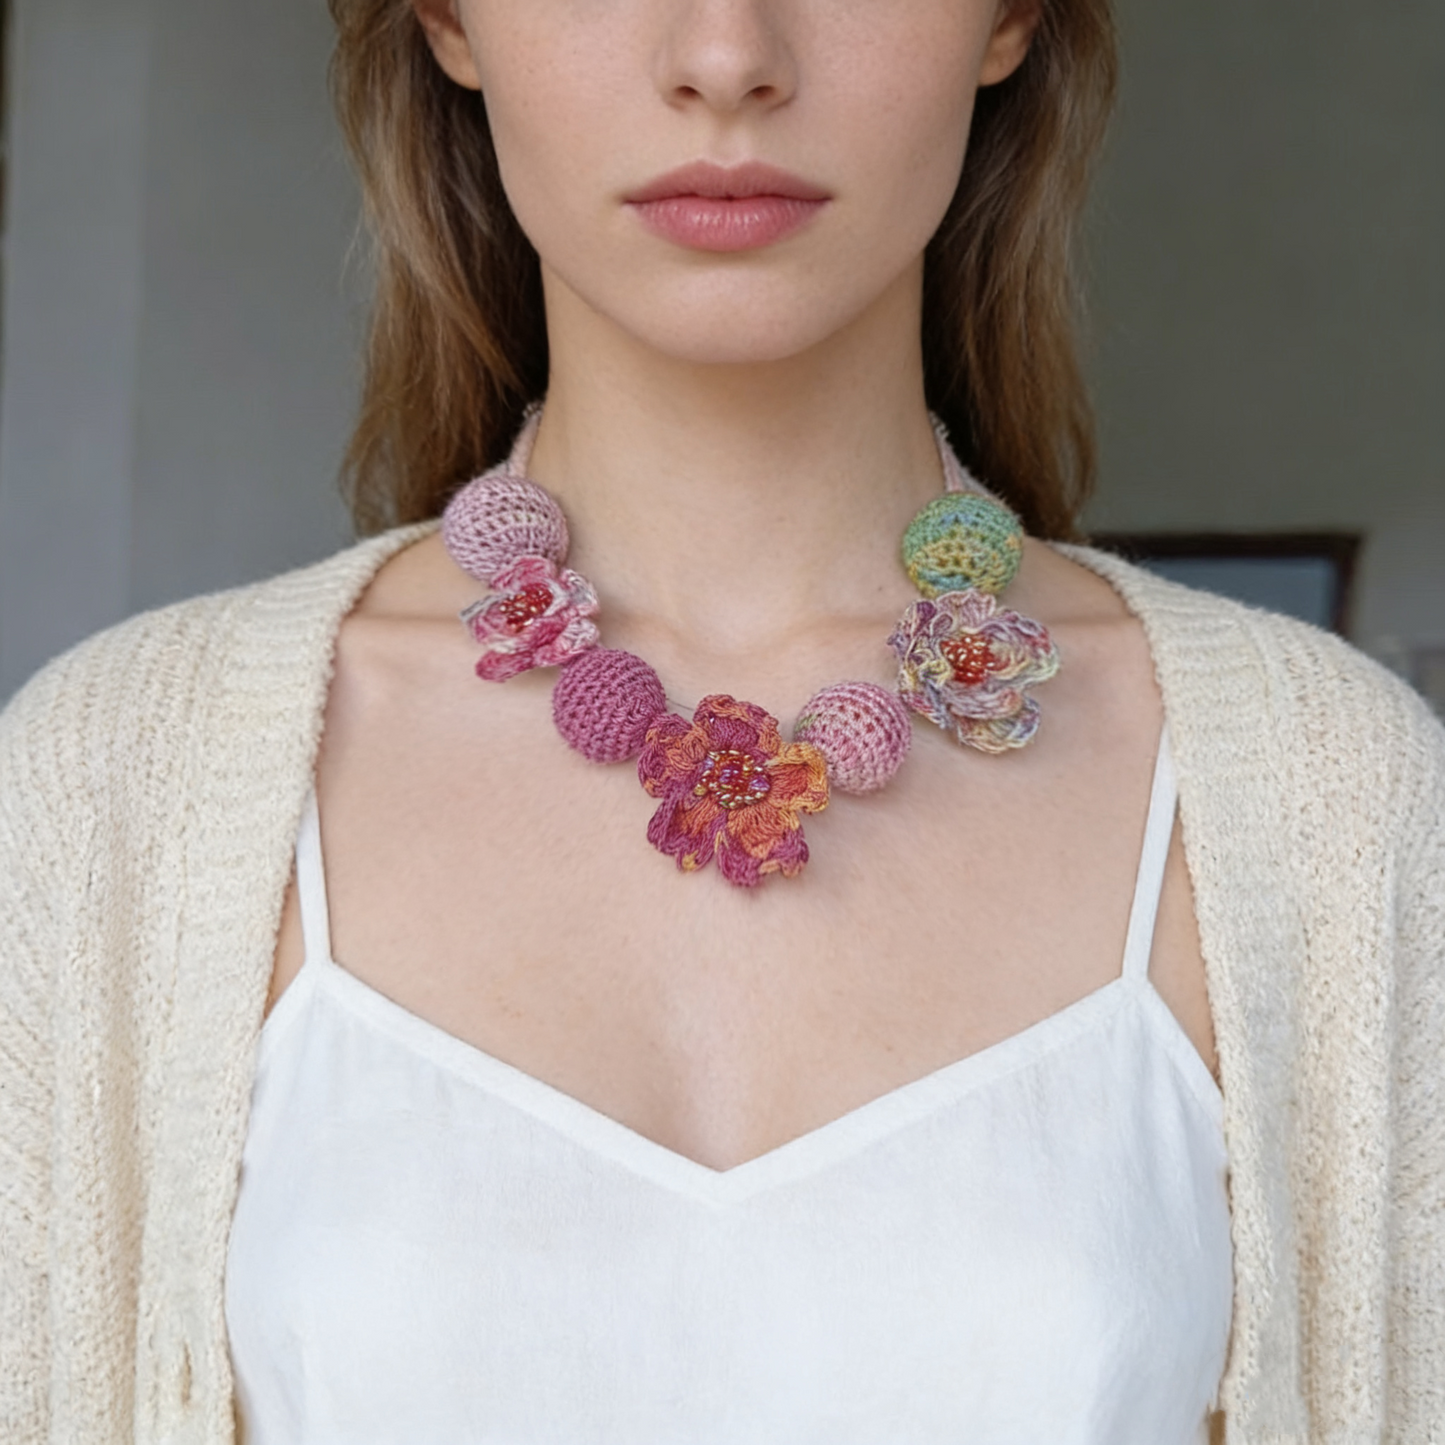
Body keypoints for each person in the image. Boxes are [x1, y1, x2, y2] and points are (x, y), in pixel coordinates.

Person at [1, 0, 1442, 1439]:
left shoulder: (1334, 802)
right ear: (444, 20)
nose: (726, 55)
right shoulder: (114, 788)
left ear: (1010, 20)